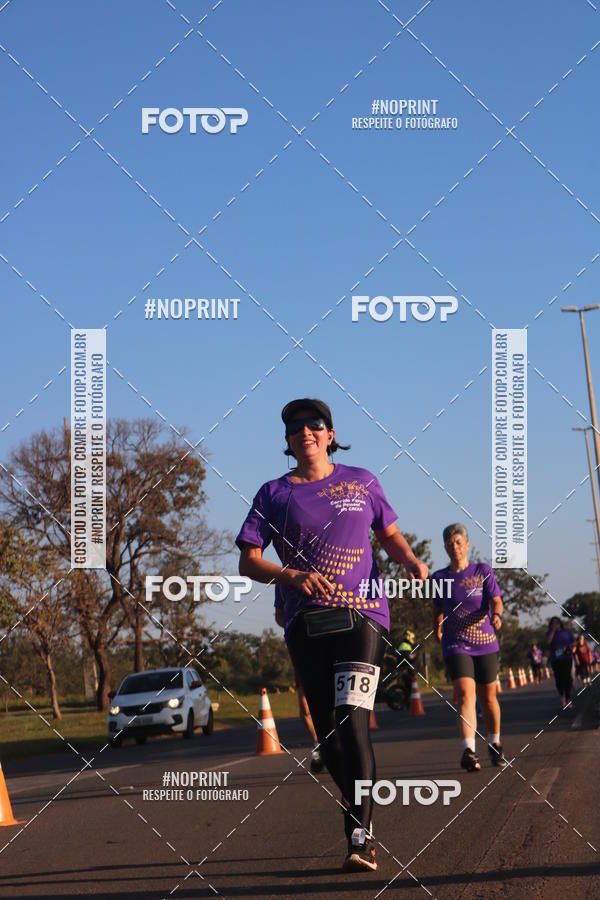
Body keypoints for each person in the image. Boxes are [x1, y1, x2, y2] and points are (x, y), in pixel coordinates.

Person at [236, 398, 428, 872]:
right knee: (329, 733)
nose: (305, 432)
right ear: (288, 440)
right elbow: (249, 560)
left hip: (363, 614)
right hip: (306, 621)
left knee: (352, 718)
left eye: (314, 425)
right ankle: (356, 809)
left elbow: (389, 534)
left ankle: (359, 838)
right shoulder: (273, 494)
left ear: (330, 433)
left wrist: (409, 561)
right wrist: (291, 577)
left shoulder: (361, 481)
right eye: (295, 427)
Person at [430, 524, 506, 772]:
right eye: (450, 543)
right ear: (445, 547)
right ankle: (469, 750)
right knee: (465, 694)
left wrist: (497, 615)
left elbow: (496, 600)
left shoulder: (482, 570)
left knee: (488, 698)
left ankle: (495, 743)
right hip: (456, 642)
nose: (455, 547)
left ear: (467, 544)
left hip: (485, 642)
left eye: (459, 542)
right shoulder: (439, 578)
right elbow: (438, 608)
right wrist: (437, 627)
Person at [274, 597, 323, 772]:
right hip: (302, 651)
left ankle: (335, 744)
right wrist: (292, 622)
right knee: (304, 709)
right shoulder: (285, 578)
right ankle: (319, 743)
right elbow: (279, 615)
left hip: (329, 649)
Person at [544, 617, 574, 705]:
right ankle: (562, 695)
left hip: (567, 658)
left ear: (560, 623)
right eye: (553, 623)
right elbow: (548, 642)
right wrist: (553, 631)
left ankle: (568, 697)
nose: (555, 624)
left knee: (567, 678)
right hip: (556, 660)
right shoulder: (549, 633)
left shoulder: (567, 631)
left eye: (557, 623)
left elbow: (574, 642)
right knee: (559, 679)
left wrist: (570, 649)